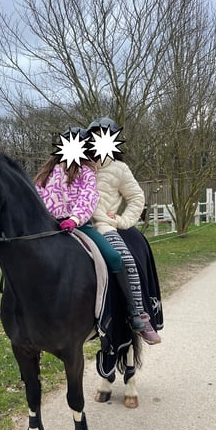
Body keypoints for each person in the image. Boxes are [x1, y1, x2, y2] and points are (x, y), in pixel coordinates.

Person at [33, 127, 147, 334]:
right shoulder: (47, 172)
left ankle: (133, 312)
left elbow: (88, 198)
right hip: (50, 226)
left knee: (114, 256)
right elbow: (38, 196)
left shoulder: (87, 172)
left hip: (80, 224)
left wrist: (74, 219)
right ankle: (19, 305)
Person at [87, 116, 162, 344]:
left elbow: (137, 197)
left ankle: (138, 315)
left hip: (102, 226)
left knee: (125, 259)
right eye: (94, 136)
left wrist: (121, 220)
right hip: (71, 222)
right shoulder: (77, 163)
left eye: (103, 136)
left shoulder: (119, 169)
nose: (97, 140)